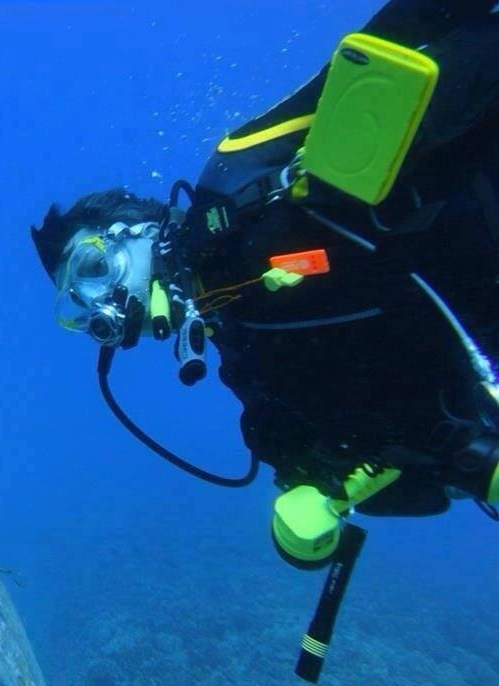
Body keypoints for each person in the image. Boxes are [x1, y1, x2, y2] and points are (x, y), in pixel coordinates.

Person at [31, 1, 499, 569]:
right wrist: (313, 493)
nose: (101, 307)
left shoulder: (239, 177)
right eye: (80, 312)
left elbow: (398, 44)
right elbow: (393, 458)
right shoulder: (246, 355)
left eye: (93, 270)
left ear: (136, 229)